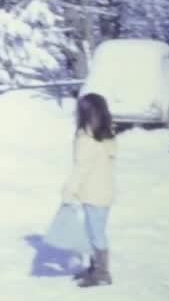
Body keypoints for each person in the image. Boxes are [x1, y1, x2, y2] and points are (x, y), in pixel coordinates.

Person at [61, 93, 117, 288]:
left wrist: (69, 191)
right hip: (102, 192)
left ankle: (102, 273)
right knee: (94, 232)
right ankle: (96, 268)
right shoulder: (104, 134)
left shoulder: (88, 139)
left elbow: (81, 169)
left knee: (96, 234)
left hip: (95, 195)